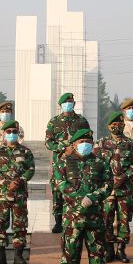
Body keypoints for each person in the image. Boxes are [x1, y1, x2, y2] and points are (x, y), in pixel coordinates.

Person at [56, 128, 111, 264]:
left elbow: (108, 185)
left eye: (88, 141)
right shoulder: (63, 162)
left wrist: (93, 197)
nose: (85, 144)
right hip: (72, 219)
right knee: (70, 255)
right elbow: (61, 183)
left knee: (98, 256)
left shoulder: (100, 162)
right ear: (74, 144)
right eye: (81, 142)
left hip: (95, 219)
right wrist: (80, 198)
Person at [0, 121, 35, 264]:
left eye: (13, 131)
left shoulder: (26, 152)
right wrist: (6, 182)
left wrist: (20, 180)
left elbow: (31, 169)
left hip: (19, 195)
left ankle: (18, 255)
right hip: (2, 195)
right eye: (8, 131)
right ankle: (0, 254)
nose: (11, 134)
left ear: (18, 133)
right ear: (3, 134)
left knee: (20, 225)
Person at [96, 111, 133, 263]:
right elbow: (96, 165)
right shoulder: (101, 143)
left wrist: (122, 178)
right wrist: (108, 180)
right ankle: (108, 250)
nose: (117, 127)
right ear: (109, 126)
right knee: (106, 219)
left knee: (124, 219)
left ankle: (121, 250)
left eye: (120, 124)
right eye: (114, 124)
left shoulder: (131, 144)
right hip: (107, 189)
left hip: (125, 189)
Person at [45, 92, 90, 233]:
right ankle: (58, 221)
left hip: (78, 162)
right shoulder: (54, 122)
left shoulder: (81, 121)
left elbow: (88, 139)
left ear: (74, 104)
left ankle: (78, 216)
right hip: (60, 162)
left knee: (78, 186)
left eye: (71, 102)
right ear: (61, 105)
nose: (68, 104)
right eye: (66, 102)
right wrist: (64, 148)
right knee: (58, 190)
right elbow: (48, 142)